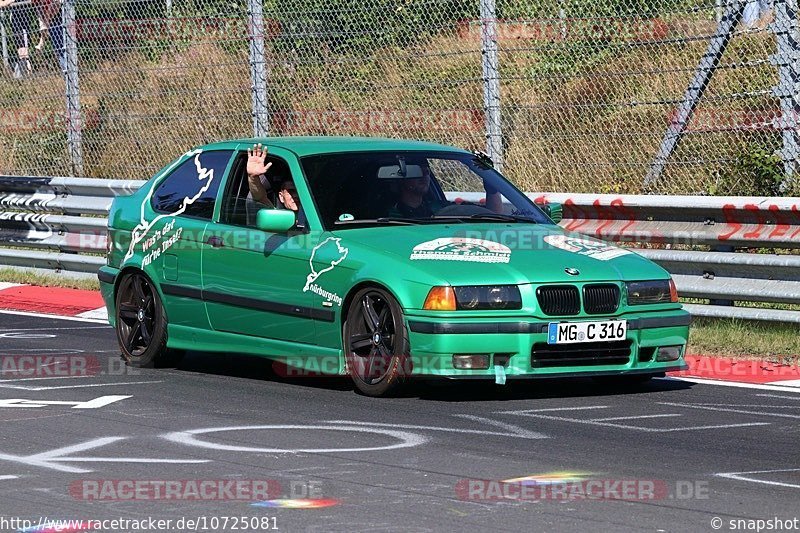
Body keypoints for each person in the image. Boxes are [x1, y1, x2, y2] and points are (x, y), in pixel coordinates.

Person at [246, 143, 306, 228]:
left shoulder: (318, 216)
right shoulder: (276, 215)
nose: (296, 195)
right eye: (291, 191)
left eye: (299, 192)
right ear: (281, 196)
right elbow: (260, 198)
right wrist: (253, 177)